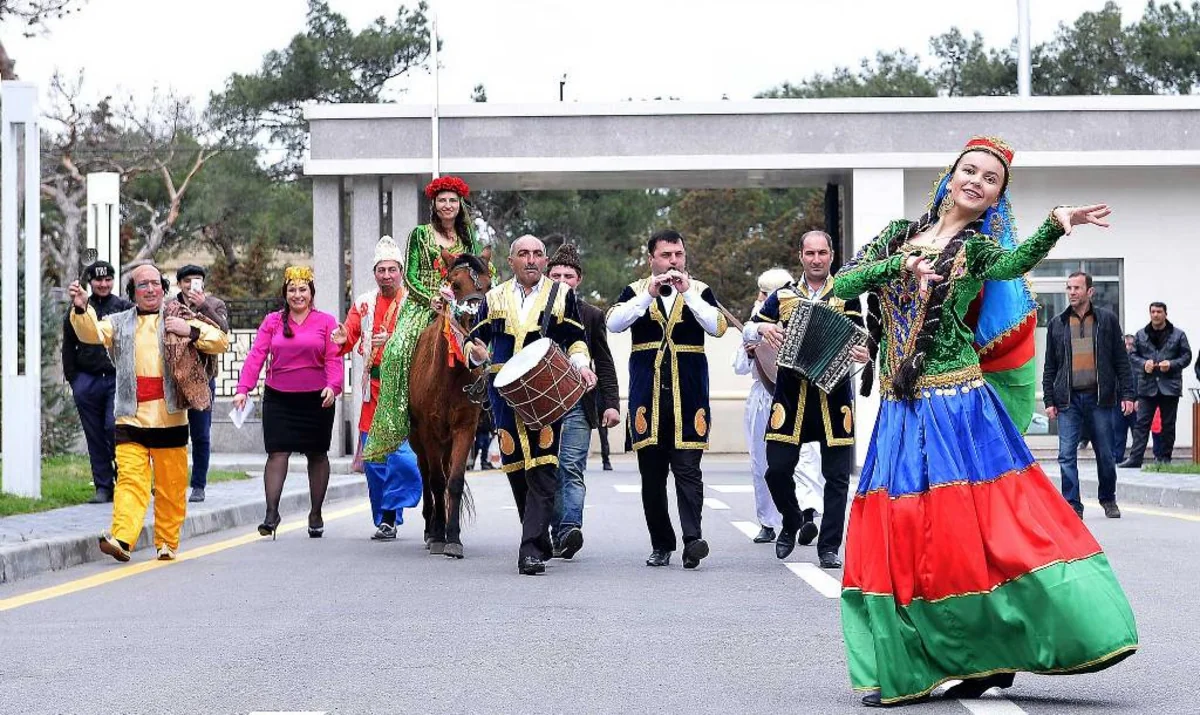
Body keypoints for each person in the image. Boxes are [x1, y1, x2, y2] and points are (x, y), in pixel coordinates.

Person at [834, 136, 1137, 708]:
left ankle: (995, 646)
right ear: (950, 177)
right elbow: (844, 283)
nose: (976, 180)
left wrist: (1055, 224)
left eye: (990, 179)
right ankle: (922, 660)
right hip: (901, 411)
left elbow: (1012, 265)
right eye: (969, 170)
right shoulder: (897, 235)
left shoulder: (976, 249)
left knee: (969, 535)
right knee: (900, 533)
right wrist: (900, 264)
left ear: (997, 198)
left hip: (957, 409)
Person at [67, 265, 229, 562]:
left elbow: (220, 340)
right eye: (143, 285)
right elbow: (91, 333)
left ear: (164, 288)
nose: (151, 289)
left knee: (171, 486)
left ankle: (167, 542)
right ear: (133, 292)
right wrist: (81, 308)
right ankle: (122, 539)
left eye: (155, 283)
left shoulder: (179, 316)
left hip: (170, 418)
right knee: (130, 481)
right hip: (130, 416)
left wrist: (190, 331)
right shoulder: (119, 322)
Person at [466, 235, 596, 575]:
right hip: (504, 393)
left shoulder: (562, 295)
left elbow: (576, 340)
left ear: (545, 261)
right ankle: (537, 536)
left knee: (543, 465)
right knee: (515, 468)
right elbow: (474, 340)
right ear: (511, 261)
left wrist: (582, 366)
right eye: (523, 254)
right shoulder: (493, 297)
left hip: (546, 390)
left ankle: (531, 549)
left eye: (538, 254)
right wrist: (475, 354)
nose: (531, 260)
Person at [746, 231, 869, 569]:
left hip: (833, 397)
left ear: (832, 255)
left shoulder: (846, 296)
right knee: (776, 470)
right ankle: (791, 519)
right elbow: (751, 327)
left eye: (822, 253)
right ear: (800, 256)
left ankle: (829, 547)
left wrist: (863, 352)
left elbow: (859, 337)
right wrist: (762, 330)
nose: (816, 259)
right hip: (791, 397)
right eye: (810, 253)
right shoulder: (783, 296)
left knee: (837, 477)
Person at [606, 229, 727, 570]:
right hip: (648, 398)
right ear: (652, 259)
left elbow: (717, 327)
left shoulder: (700, 290)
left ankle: (693, 540)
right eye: (666, 255)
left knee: (689, 471)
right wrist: (647, 295)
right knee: (652, 475)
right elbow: (614, 323)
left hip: (689, 397)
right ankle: (661, 544)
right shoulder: (635, 290)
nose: (673, 261)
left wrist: (688, 294)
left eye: (678, 254)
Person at [364, 175, 486, 463]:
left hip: (461, 306)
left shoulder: (468, 238)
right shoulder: (419, 234)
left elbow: (479, 270)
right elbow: (409, 276)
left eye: (452, 200)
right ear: (434, 204)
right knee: (395, 350)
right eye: (442, 200)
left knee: (486, 346)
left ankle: (485, 402)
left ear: (460, 205)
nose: (447, 205)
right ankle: (397, 417)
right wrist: (430, 298)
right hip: (425, 305)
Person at [234, 266, 343, 539]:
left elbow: (334, 358)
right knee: (277, 453)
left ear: (311, 293)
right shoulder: (272, 321)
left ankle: (316, 513)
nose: (297, 295)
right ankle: (271, 514)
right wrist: (243, 389)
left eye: (302, 289)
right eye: (292, 290)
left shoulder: (326, 322)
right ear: (285, 293)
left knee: (317, 455)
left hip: (317, 398)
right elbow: (257, 355)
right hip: (278, 398)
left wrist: (333, 387)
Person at [331, 236, 423, 540]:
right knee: (373, 460)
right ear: (374, 273)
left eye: (392, 269)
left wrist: (394, 340)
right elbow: (349, 336)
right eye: (381, 270)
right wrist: (340, 338)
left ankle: (397, 507)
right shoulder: (364, 303)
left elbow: (423, 340)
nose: (386, 275)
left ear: (401, 272)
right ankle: (386, 518)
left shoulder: (414, 303)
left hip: (406, 388)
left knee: (404, 457)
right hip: (374, 388)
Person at [545, 241, 621, 559]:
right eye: (557, 275)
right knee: (546, 469)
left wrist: (611, 404)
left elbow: (603, 361)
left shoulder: (591, 315)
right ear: (547, 277)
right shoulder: (535, 313)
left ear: (579, 280)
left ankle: (569, 529)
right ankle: (552, 530)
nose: (563, 281)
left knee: (571, 466)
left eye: (569, 276)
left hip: (579, 402)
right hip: (542, 405)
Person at [1043, 272, 1135, 519]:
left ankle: (1108, 498)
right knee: (1066, 455)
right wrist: (1049, 400)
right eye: (1069, 288)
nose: (1072, 292)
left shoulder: (1106, 320)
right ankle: (1072, 504)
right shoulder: (1057, 323)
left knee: (1105, 453)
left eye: (1077, 288)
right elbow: (1050, 365)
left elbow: (1121, 360)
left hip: (1099, 398)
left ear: (1090, 291)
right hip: (1068, 400)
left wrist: (1128, 394)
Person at [63, 260, 132, 504]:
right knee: (94, 434)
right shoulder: (78, 308)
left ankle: (125, 478)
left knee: (113, 428)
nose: (103, 284)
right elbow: (68, 345)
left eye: (107, 279)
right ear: (90, 282)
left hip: (116, 379)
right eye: (98, 280)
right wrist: (74, 380)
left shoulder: (124, 307)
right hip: (87, 380)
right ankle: (103, 486)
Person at [174, 264, 229, 503]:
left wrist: (204, 304)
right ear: (179, 284)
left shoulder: (215, 304)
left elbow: (224, 331)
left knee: (200, 434)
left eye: (196, 280)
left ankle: (198, 485)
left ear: (203, 283)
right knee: (171, 434)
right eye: (187, 281)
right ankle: (170, 482)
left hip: (204, 379)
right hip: (176, 379)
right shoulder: (171, 306)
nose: (191, 285)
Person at [1119, 301, 1192, 467]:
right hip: (1147, 386)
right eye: (1153, 312)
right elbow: (1132, 356)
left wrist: (1171, 364)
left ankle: (1165, 458)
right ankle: (1135, 459)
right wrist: (1144, 364)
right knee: (1141, 424)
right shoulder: (1141, 335)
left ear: (1165, 314)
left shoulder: (1178, 335)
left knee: (1168, 424)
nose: (1156, 315)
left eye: (1159, 312)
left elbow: (1187, 356)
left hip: (1170, 386)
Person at [1111, 334, 1142, 464]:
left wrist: (1139, 398)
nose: (1128, 347)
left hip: (1136, 403)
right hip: (1119, 402)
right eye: (1126, 345)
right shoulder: (1115, 361)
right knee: (1118, 431)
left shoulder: (1139, 362)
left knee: (1137, 432)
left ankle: (1136, 458)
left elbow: (1142, 381)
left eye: (1131, 345)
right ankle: (1117, 458)